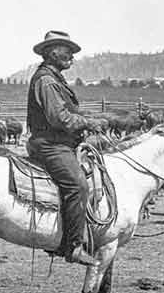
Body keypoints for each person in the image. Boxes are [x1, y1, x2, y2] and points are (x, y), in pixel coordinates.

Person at [26, 30, 109, 266]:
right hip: (50, 144)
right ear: (53, 52)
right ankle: (72, 246)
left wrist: (91, 117)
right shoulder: (47, 81)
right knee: (78, 185)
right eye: (68, 51)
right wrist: (87, 123)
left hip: (58, 142)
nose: (72, 56)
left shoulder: (55, 79)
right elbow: (59, 118)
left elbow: (68, 112)